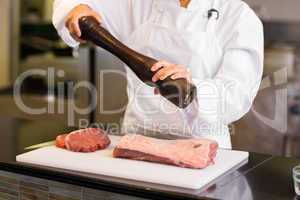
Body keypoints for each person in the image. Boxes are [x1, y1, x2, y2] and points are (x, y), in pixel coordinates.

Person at [53, 0, 264, 149]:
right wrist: (77, 8)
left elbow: (237, 95)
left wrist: (194, 86)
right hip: (136, 143)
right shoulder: (137, 4)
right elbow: (71, 5)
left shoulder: (238, 16)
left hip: (202, 149)